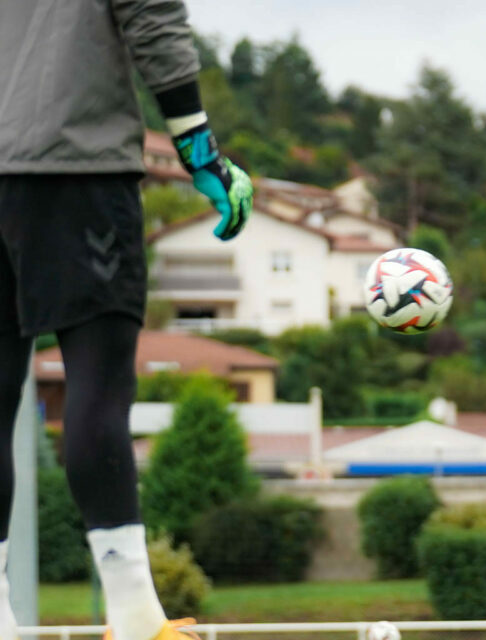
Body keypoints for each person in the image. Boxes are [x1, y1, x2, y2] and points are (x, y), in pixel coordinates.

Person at [0, 3, 252, 640]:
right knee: (97, 389)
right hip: (73, 169)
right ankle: (138, 622)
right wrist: (202, 155)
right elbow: (152, 20)